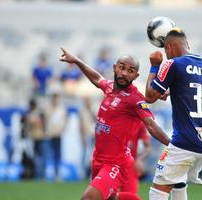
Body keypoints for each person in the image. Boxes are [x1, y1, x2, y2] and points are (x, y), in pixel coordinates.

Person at [60, 48, 170, 200]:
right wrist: (77, 61)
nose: (125, 73)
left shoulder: (135, 99)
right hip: (98, 159)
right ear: (114, 68)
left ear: (135, 75)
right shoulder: (109, 87)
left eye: (130, 71)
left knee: (89, 198)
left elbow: (151, 125)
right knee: (111, 198)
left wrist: (173, 146)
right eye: (122, 67)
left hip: (116, 164)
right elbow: (97, 78)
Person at [145, 28, 202, 200]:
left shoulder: (172, 64)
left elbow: (149, 96)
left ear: (168, 48)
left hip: (185, 142)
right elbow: (187, 91)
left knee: (158, 190)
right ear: (187, 45)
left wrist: (154, 65)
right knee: (178, 181)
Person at [121, 122, 151, 194]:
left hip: (130, 165)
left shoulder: (139, 123)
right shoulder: (114, 118)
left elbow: (148, 147)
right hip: (112, 162)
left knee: (130, 195)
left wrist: (139, 160)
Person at [44, 93, 67, 180]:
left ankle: (57, 173)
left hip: (58, 134)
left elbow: (64, 120)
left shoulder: (61, 109)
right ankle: (47, 173)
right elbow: (46, 121)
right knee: (49, 154)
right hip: (50, 134)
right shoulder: (48, 108)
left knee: (58, 155)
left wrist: (62, 130)